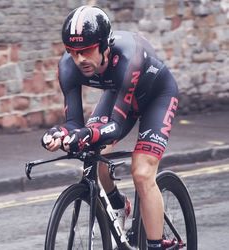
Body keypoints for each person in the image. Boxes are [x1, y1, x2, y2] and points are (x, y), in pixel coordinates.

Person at [41, 5, 179, 250]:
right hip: (120, 96)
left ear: (104, 45)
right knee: (95, 155)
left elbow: (114, 126)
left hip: (157, 95)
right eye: (72, 52)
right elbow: (74, 122)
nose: (79, 59)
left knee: (143, 172)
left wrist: (86, 133)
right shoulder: (68, 66)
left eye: (86, 51)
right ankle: (117, 203)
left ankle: (156, 245)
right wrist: (61, 133)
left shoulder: (128, 57)